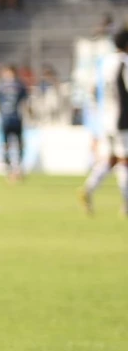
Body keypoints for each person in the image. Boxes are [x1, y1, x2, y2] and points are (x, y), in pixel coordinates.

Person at [79, 28, 128, 216]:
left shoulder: (104, 62)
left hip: (106, 118)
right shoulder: (125, 63)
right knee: (124, 161)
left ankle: (88, 188)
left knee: (111, 160)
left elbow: (92, 89)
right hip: (123, 119)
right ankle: (126, 204)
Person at [0, 63, 29, 181]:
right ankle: (14, 169)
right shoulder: (20, 85)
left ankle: (13, 169)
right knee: (14, 144)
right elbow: (26, 102)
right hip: (14, 118)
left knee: (9, 144)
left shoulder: (1, 86)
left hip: (9, 118)